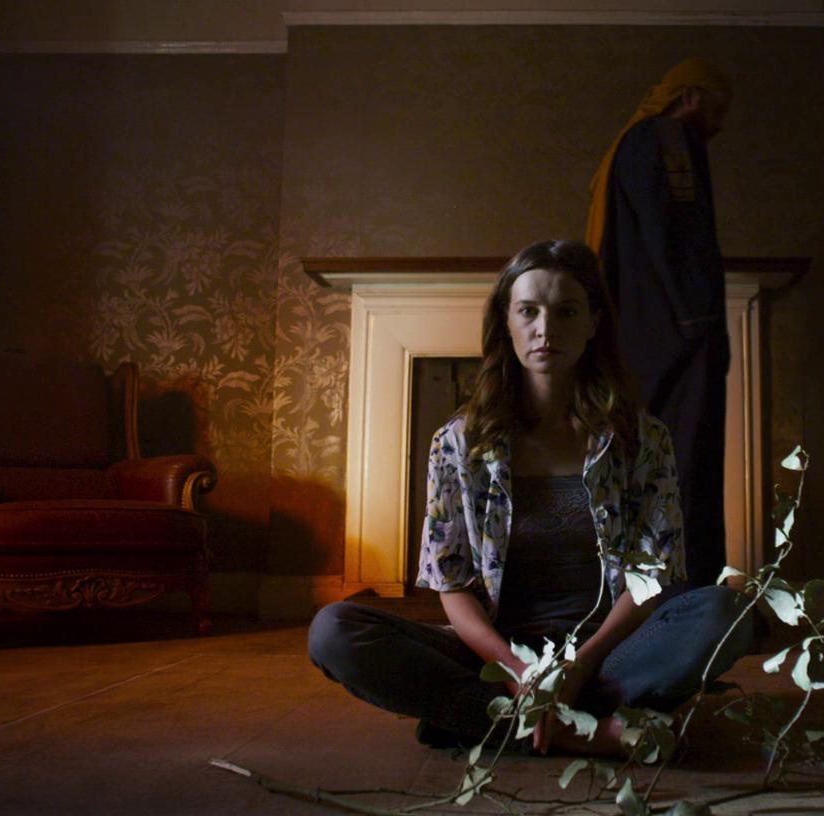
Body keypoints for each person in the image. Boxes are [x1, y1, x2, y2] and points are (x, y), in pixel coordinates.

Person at [308, 240, 755, 757]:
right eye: (528, 311)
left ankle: (489, 722)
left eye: (566, 312)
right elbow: (453, 586)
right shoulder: (458, 443)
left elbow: (650, 578)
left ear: (593, 323)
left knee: (728, 610)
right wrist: (517, 670)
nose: (546, 329)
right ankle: (578, 731)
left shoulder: (642, 440)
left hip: (609, 655)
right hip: (496, 657)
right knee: (334, 630)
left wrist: (578, 666)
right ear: (507, 322)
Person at [585, 58, 733, 591]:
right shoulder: (667, 138)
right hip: (679, 332)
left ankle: (646, 596)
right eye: (716, 107)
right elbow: (679, 234)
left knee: (652, 461)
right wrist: (703, 323)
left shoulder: (628, 144)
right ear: (688, 96)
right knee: (687, 461)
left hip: (642, 335)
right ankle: (689, 598)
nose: (719, 123)